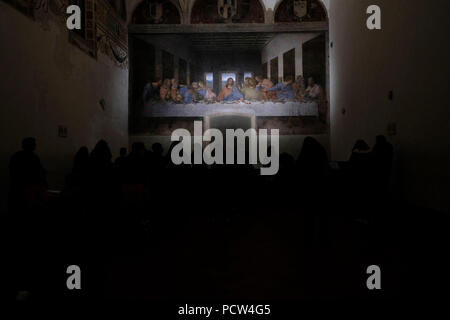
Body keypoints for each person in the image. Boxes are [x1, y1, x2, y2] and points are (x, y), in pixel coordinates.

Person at [9, 137, 47, 211]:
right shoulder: (33, 157)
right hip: (28, 189)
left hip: (18, 188)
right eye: (34, 144)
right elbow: (39, 172)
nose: (35, 145)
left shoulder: (16, 156)